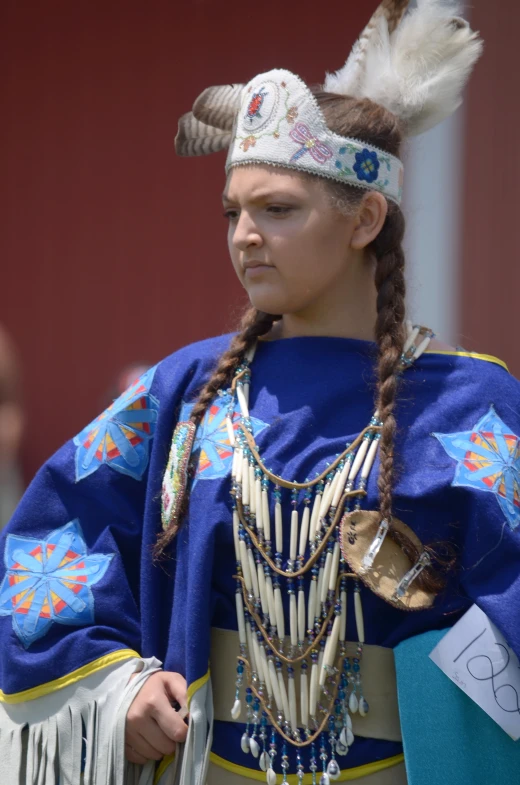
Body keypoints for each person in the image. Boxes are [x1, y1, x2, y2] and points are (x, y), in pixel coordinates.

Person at [1, 2, 519, 784]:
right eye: (232, 211)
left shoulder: (469, 404)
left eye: (277, 209)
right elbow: (49, 548)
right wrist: (120, 681)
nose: (245, 234)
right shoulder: (185, 392)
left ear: (365, 218)